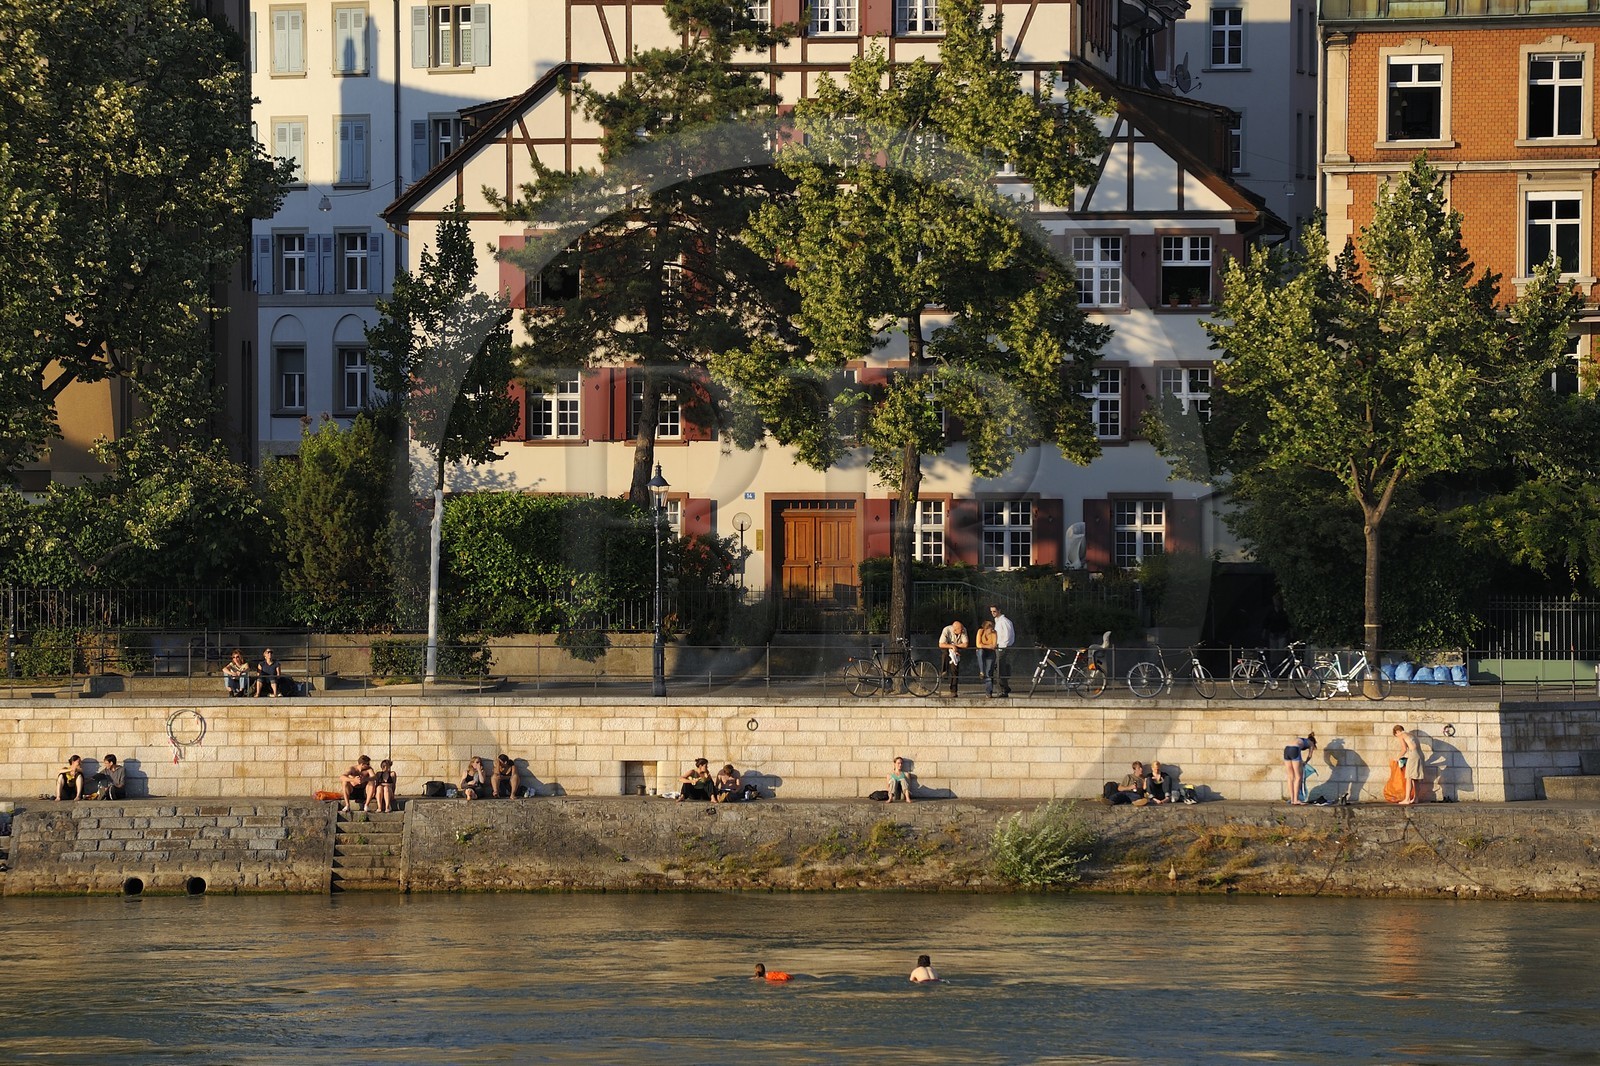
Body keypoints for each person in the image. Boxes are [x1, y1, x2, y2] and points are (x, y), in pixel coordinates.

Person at [1283, 731, 1317, 805]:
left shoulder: (1300, 739)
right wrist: (1305, 762)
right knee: (1298, 777)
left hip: (1286, 749)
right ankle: (1296, 800)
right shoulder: (1311, 743)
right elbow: (1310, 755)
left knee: (1290, 777)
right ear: (1313, 741)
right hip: (1294, 750)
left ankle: (1292, 799)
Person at [938, 619, 968, 696]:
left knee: (955, 670)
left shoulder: (963, 630)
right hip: (947, 649)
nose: (962, 630)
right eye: (960, 629)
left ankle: (954, 691)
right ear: (955, 630)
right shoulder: (946, 630)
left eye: (962, 629)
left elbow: (965, 644)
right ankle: (944, 670)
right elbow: (941, 644)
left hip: (956, 650)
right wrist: (951, 646)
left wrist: (955, 647)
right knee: (945, 653)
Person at [989, 604, 1015, 697]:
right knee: (999, 667)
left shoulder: (1004, 621)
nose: (993, 613)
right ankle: (1004, 687)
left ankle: (1004, 688)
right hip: (999, 647)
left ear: (999, 610)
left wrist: (1002, 647)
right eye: (991, 612)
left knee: (999, 667)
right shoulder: (998, 621)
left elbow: (1008, 636)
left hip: (1002, 647)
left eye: (994, 611)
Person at [1394, 725, 1423, 805]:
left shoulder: (1401, 735)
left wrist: (1397, 758)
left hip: (1413, 755)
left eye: (1396, 735)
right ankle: (1416, 798)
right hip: (1420, 755)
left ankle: (1407, 799)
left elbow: (1404, 749)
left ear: (1397, 732)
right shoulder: (1412, 735)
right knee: (1415, 778)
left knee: (1409, 777)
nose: (1397, 737)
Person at [974, 619, 998, 697]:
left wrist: (984, 645)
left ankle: (989, 692)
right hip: (982, 651)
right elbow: (978, 644)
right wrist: (988, 646)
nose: (991, 630)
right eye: (990, 628)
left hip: (991, 653)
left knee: (989, 672)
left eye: (992, 628)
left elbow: (994, 645)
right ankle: (981, 671)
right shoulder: (980, 631)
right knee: (980, 651)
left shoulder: (994, 633)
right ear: (985, 628)